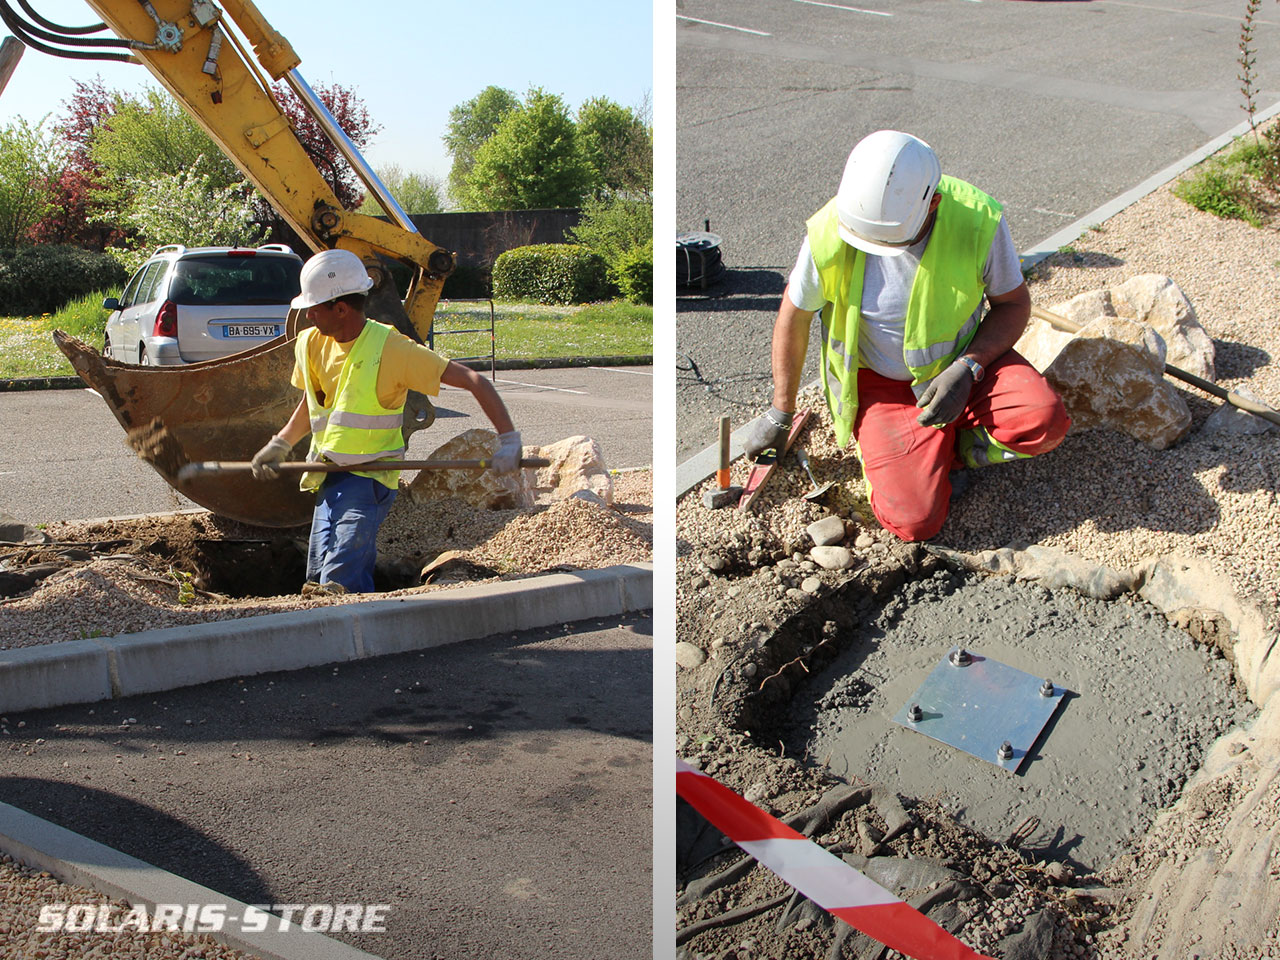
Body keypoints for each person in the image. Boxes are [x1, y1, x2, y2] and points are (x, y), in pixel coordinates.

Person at [744, 130, 1070, 542]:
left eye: (891, 242)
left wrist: (969, 368)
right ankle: (918, 451)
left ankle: (949, 452)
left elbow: (1013, 305)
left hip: (967, 364)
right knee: (914, 522)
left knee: (1045, 423)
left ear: (933, 203)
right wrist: (780, 411)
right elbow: (794, 315)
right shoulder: (832, 229)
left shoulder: (976, 219)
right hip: (884, 384)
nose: (876, 250)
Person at [250, 248, 522, 594]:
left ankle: (354, 639)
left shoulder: (392, 348)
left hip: (368, 479)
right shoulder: (311, 344)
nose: (308, 317)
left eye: (313, 309)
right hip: (328, 478)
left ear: (340, 308)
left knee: (338, 579)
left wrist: (509, 439)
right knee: (317, 578)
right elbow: (312, 404)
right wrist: (281, 443)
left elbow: (473, 380)